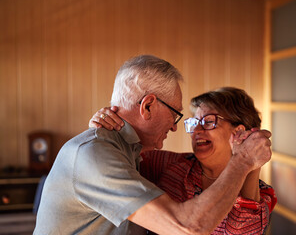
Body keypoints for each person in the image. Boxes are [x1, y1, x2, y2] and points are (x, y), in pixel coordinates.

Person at [34, 55, 272, 235]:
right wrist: (242, 161)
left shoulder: (130, 153)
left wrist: (248, 165)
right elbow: (187, 227)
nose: (177, 127)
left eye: (208, 122)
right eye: (177, 115)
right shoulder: (158, 163)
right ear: (147, 106)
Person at [90, 87, 277, 234]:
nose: (197, 131)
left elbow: (240, 231)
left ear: (238, 132)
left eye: (209, 121)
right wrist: (104, 129)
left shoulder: (261, 193)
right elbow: (115, 159)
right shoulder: (170, 165)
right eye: (194, 123)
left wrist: (250, 164)